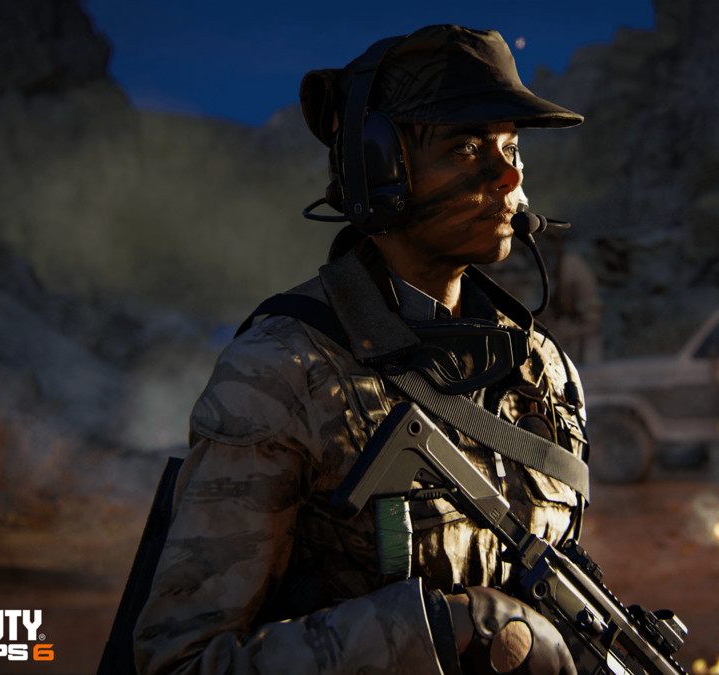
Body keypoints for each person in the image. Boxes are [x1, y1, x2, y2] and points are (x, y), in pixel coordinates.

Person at [133, 24, 588, 675]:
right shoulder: (283, 371)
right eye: (466, 148)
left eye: (511, 146)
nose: (509, 175)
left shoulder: (542, 370)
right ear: (380, 171)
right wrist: (444, 628)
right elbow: (180, 663)